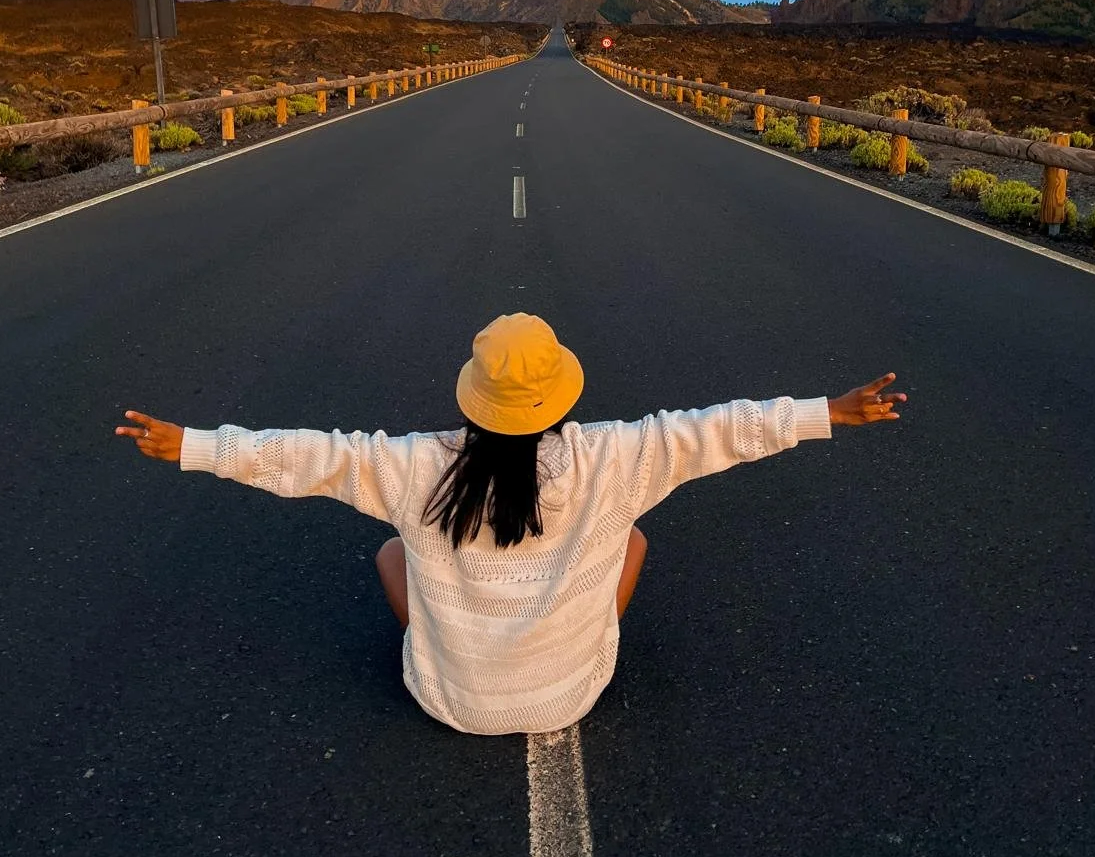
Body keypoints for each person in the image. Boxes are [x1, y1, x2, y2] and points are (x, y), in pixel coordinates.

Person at [115, 312, 905, 736]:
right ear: (560, 395)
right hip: (570, 697)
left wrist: (193, 445)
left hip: (450, 701)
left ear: (474, 398)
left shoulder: (418, 467)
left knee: (395, 550)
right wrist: (827, 413)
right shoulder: (611, 459)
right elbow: (716, 431)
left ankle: (466, 650)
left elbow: (310, 457)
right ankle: (556, 643)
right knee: (630, 537)